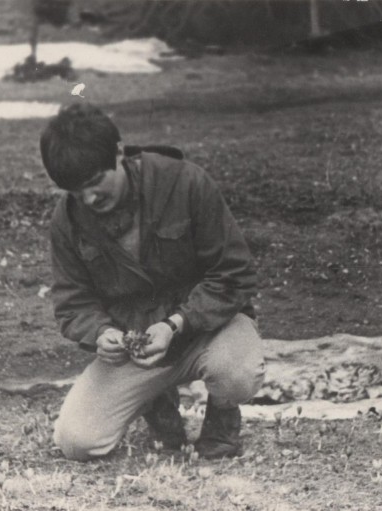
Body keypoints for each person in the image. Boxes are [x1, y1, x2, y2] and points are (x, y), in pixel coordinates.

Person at [39, 103, 265, 461]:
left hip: (206, 331)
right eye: (75, 191)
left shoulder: (186, 183)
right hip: (138, 347)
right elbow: (72, 302)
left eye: (95, 182)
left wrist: (175, 324)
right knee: (76, 441)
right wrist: (100, 333)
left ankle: (222, 416)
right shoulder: (67, 220)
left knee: (238, 372)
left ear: (118, 152)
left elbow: (234, 274)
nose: (89, 199)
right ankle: (157, 403)